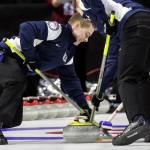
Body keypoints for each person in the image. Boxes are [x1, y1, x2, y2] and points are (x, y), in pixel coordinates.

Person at [0, 12, 94, 145]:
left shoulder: (69, 52)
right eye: (87, 34)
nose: (86, 40)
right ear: (77, 26)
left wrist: (83, 107)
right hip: (7, 55)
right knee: (16, 81)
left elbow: (70, 81)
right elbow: (26, 27)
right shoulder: (57, 30)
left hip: (17, 68)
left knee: (14, 119)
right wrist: (30, 57)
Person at [77, 0, 150, 145]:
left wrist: (104, 21)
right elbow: (112, 59)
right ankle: (147, 124)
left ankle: (137, 122)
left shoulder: (86, 6)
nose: (87, 37)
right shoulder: (107, 25)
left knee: (127, 78)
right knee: (140, 77)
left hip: (133, 21)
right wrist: (100, 91)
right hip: (145, 20)